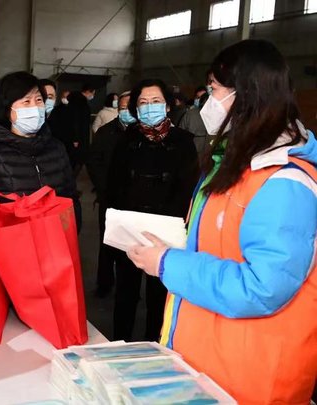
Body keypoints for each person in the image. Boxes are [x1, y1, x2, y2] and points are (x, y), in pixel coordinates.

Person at [127, 40, 317, 404]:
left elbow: (263, 287)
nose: (207, 103)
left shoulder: (284, 182)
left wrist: (168, 263)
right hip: (213, 362)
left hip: (253, 379)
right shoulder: (235, 162)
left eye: (213, 90)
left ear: (245, 94)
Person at [107, 78, 198, 342]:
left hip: (166, 228)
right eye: (143, 103)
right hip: (129, 226)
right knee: (126, 291)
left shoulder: (183, 142)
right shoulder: (126, 140)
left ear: (168, 106)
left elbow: (188, 187)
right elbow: (114, 184)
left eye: (156, 101)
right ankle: (119, 342)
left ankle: (155, 343)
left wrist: (176, 223)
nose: (149, 107)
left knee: (161, 292)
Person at [0, 71, 81, 228]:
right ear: (8, 110)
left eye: (39, 100)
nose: (35, 107)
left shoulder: (57, 148)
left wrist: (73, 229)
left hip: (55, 241)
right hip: (12, 245)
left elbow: (70, 197)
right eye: (26, 102)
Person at [87, 91, 136, 297]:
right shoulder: (106, 133)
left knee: (132, 243)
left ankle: (130, 285)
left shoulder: (142, 133)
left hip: (135, 200)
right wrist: (103, 188)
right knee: (107, 242)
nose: (126, 112)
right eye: (123, 108)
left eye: (130, 108)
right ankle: (105, 282)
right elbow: (94, 162)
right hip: (109, 196)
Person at [65, 83, 95, 178]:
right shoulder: (80, 103)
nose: (93, 96)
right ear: (88, 92)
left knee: (75, 162)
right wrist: (76, 138)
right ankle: (70, 185)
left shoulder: (76, 101)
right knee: (77, 161)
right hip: (79, 139)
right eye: (93, 93)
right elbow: (76, 121)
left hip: (78, 137)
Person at [179, 91, 210, 156]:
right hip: (207, 152)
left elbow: (181, 132)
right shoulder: (190, 114)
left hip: (191, 150)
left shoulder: (190, 113)